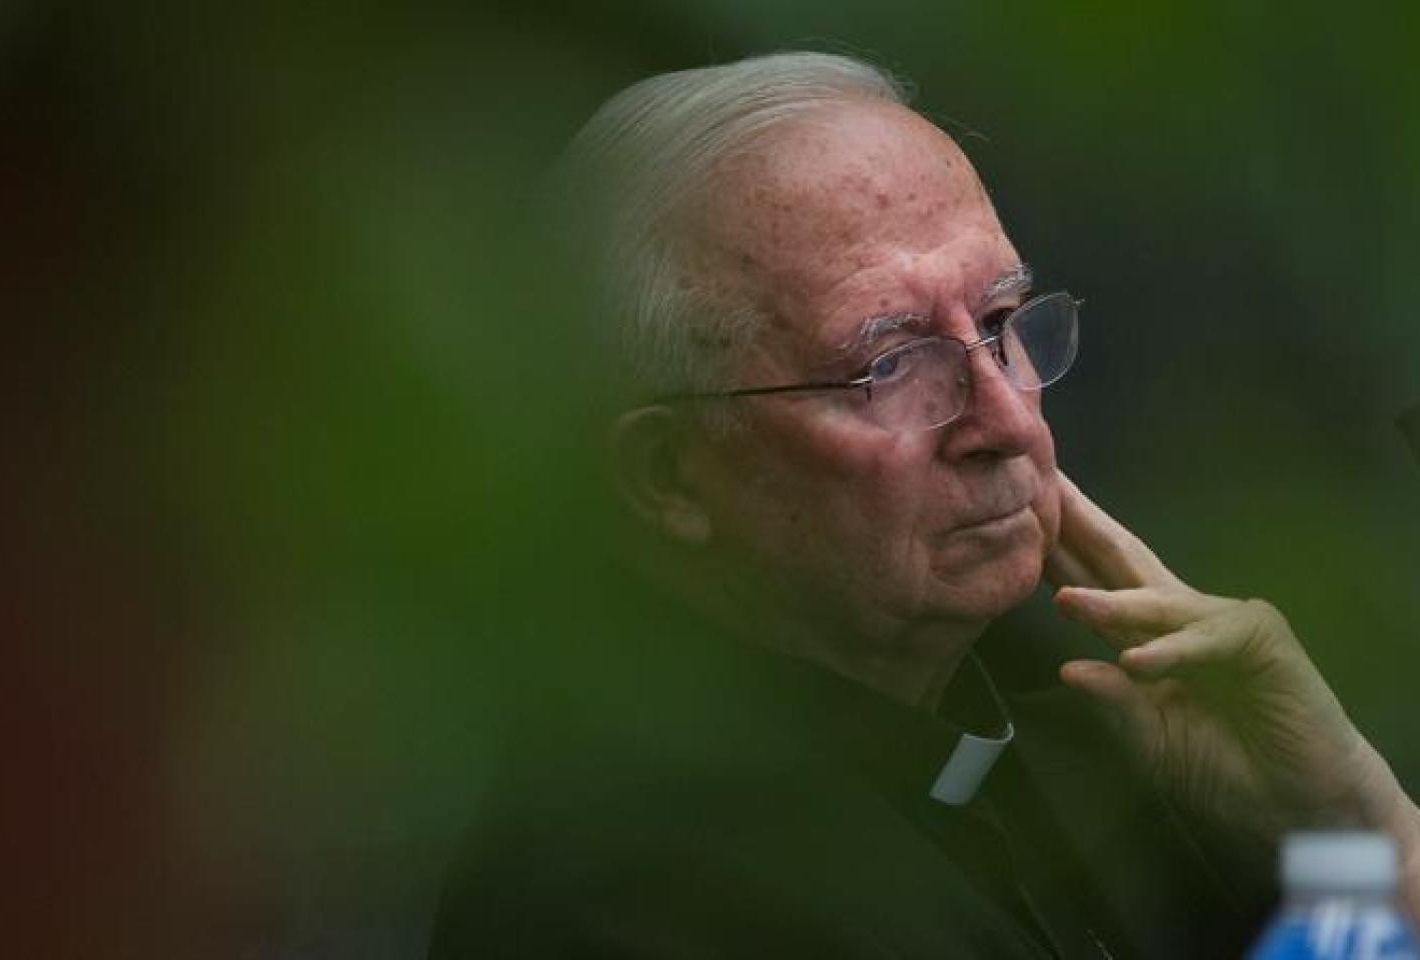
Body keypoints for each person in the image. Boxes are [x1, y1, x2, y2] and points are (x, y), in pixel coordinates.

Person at [429, 51, 1420, 958]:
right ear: (669, 475)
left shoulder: (1103, 720)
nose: (1004, 419)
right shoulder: (617, 899)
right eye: (891, 363)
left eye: (999, 322)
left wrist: (1346, 830)